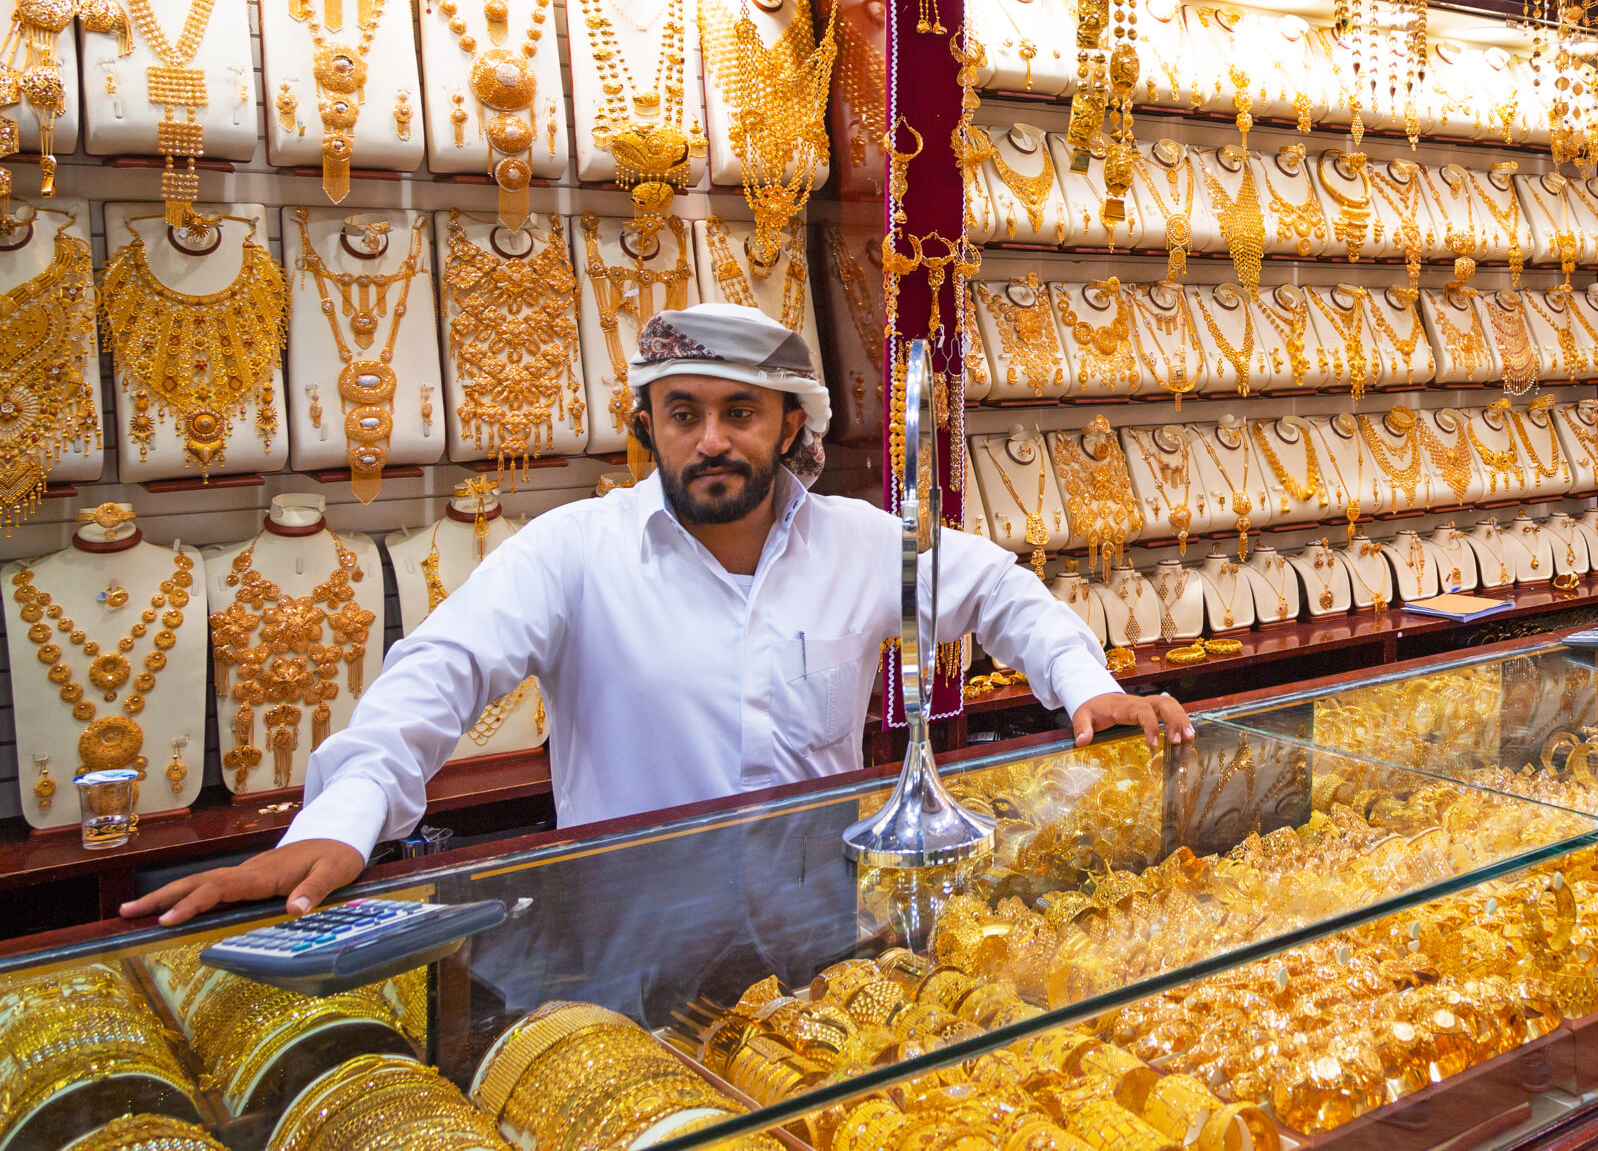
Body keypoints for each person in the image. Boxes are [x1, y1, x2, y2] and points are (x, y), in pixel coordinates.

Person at [126, 303, 1189, 926]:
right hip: (631, 934)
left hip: (825, 923)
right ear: (648, 427)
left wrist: (1085, 685)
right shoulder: (574, 553)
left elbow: (1000, 589)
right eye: (683, 414)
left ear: (789, 428)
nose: (711, 440)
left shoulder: (862, 543)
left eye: (739, 413)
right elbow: (434, 674)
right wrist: (337, 827)